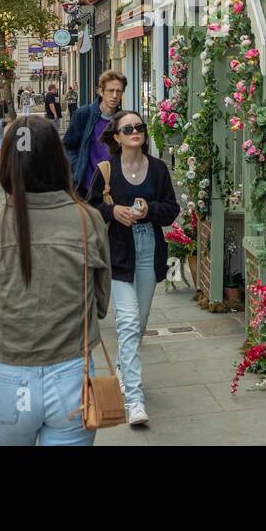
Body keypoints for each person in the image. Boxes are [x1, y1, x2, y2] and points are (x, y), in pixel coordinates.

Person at [0, 115, 111, 446]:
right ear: (58, 161)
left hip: (9, 373)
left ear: (6, 163)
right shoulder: (88, 220)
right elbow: (100, 305)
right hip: (72, 374)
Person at [86, 110, 179, 427]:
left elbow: (171, 209)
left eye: (139, 127)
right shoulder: (106, 169)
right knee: (126, 321)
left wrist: (148, 210)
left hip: (148, 250)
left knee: (138, 323)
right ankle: (134, 400)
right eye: (128, 129)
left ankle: (126, 370)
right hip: (119, 253)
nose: (135, 132)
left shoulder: (158, 169)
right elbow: (91, 207)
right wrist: (115, 211)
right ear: (117, 137)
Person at [63, 70, 126, 195]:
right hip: (86, 188)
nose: (114, 95)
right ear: (101, 91)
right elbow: (67, 146)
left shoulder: (123, 120)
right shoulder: (84, 114)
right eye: (110, 90)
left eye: (118, 91)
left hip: (113, 189)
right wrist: (78, 168)